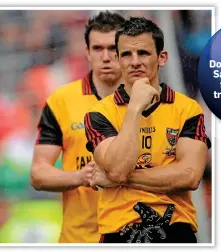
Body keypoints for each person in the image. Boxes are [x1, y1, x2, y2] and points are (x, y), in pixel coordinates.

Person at [84, 17, 211, 243]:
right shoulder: (99, 113)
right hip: (120, 233)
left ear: (162, 58)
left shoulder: (188, 109)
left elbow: (189, 176)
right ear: (117, 59)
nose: (134, 62)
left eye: (143, 53)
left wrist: (118, 179)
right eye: (126, 54)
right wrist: (134, 108)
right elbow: (118, 169)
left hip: (175, 229)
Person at [30, 11, 125, 243]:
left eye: (113, 49)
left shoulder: (150, 100)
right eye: (97, 49)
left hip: (138, 236)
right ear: (87, 52)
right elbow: (38, 173)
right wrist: (80, 177)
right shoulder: (61, 101)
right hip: (81, 239)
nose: (105, 57)